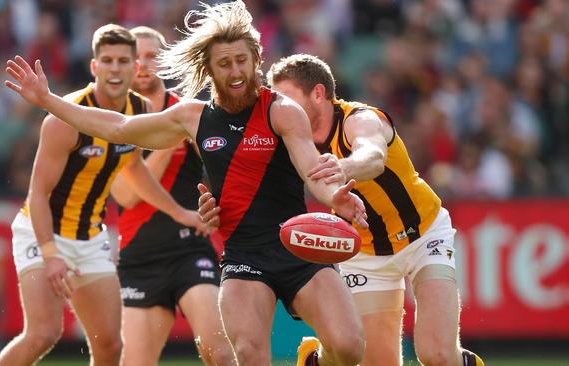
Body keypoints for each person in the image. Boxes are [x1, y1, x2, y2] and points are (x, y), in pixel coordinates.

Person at [4, 2, 370, 365]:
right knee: (247, 354)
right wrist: (49, 100)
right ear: (209, 70)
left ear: (257, 58)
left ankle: (312, 361)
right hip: (244, 257)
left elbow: (312, 171)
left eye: (242, 60)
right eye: (224, 64)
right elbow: (118, 127)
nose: (236, 71)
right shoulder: (193, 117)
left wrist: (333, 197)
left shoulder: (282, 111)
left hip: (296, 247)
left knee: (349, 347)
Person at [200, 54, 485, 366]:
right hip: (361, 252)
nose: (278, 106)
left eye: (286, 97)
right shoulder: (286, 136)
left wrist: (341, 166)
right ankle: (317, 360)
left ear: (319, 94)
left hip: (423, 235)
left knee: (438, 354)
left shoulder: (359, 119)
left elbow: (373, 157)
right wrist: (213, 207)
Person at [0, 24, 170, 366]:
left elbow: (133, 169)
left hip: (89, 236)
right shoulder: (64, 117)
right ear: (94, 67)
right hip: (41, 230)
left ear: (135, 67)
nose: (115, 69)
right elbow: (38, 194)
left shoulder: (142, 110)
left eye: (123, 61)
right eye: (107, 60)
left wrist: (182, 213)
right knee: (44, 333)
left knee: (110, 347)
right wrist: (51, 254)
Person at [109, 26, 235, 366]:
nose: (143, 64)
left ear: (165, 62)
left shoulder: (191, 113)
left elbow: (225, 169)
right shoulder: (117, 120)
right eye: (136, 58)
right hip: (139, 254)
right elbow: (125, 195)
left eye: (152, 56)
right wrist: (168, 133)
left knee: (220, 353)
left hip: (189, 247)